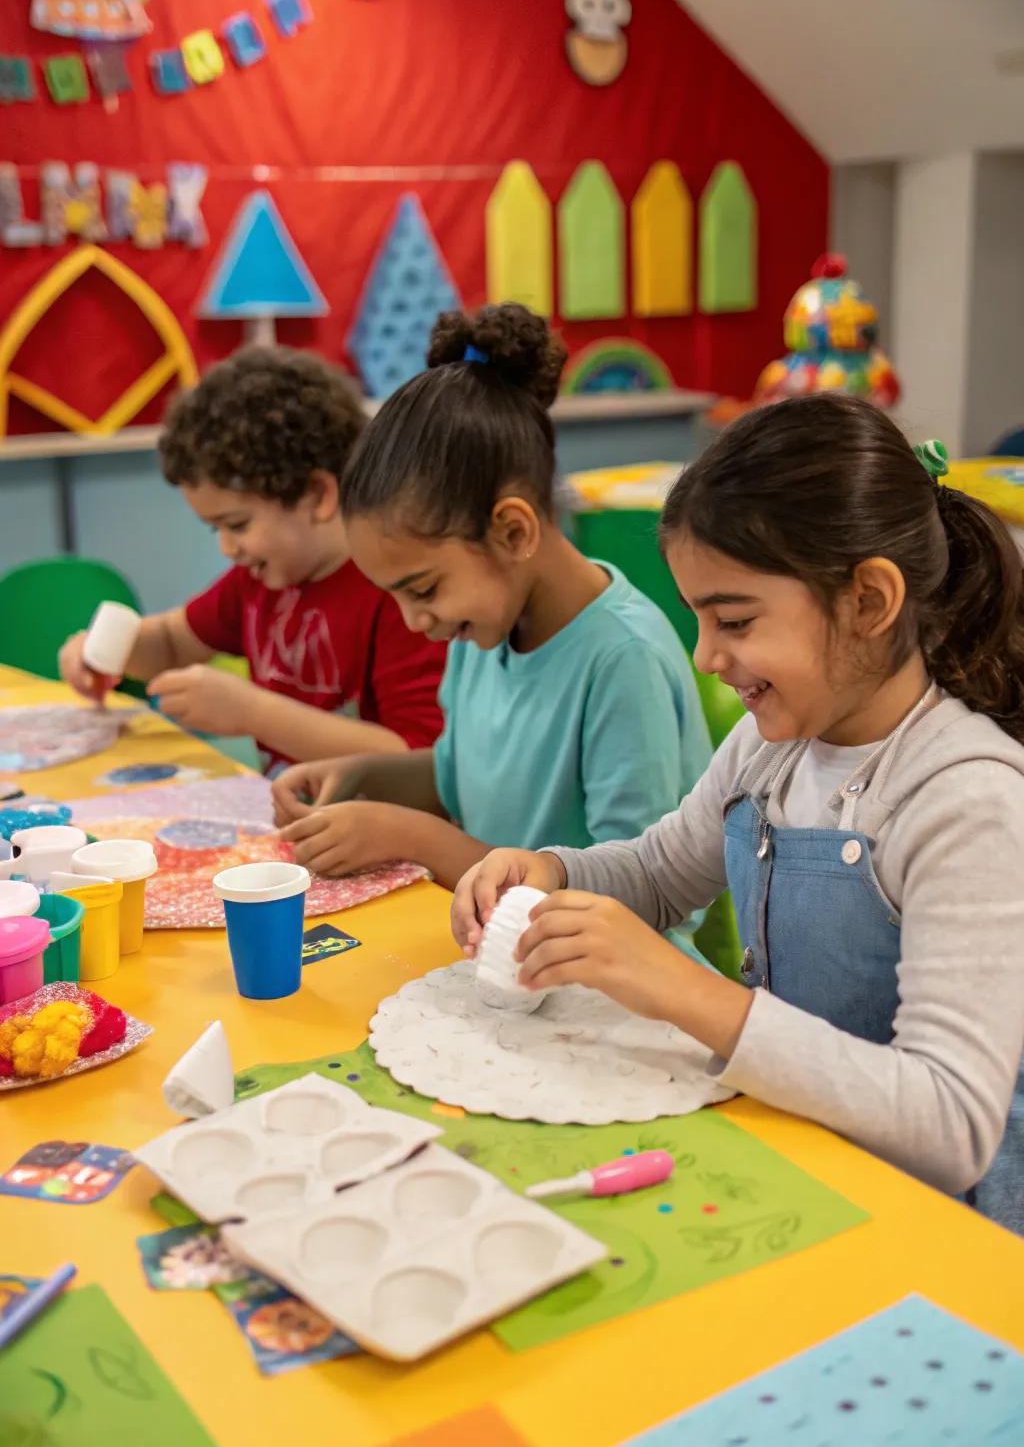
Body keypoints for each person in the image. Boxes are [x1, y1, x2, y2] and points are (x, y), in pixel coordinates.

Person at [452, 396, 1024, 1234]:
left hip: (940, 1234)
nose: (705, 656)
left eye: (734, 620)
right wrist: (553, 869)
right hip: (811, 1164)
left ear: (868, 600)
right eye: (697, 618)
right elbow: (655, 871)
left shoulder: (968, 801)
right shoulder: (773, 748)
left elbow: (949, 1125)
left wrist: (687, 991)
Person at [272, 303, 712, 908]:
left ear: (511, 533)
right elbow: (464, 779)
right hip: (501, 952)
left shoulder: (621, 660)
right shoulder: (484, 629)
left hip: (607, 981)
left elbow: (633, 895)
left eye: (423, 589)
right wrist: (362, 775)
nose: (414, 622)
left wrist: (412, 835)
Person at [58, 347, 446, 771]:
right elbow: (172, 642)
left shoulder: (398, 595)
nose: (226, 547)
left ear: (317, 495)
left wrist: (253, 713)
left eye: (238, 524)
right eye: (215, 528)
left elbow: (419, 759)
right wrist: (102, 650)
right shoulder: (256, 583)